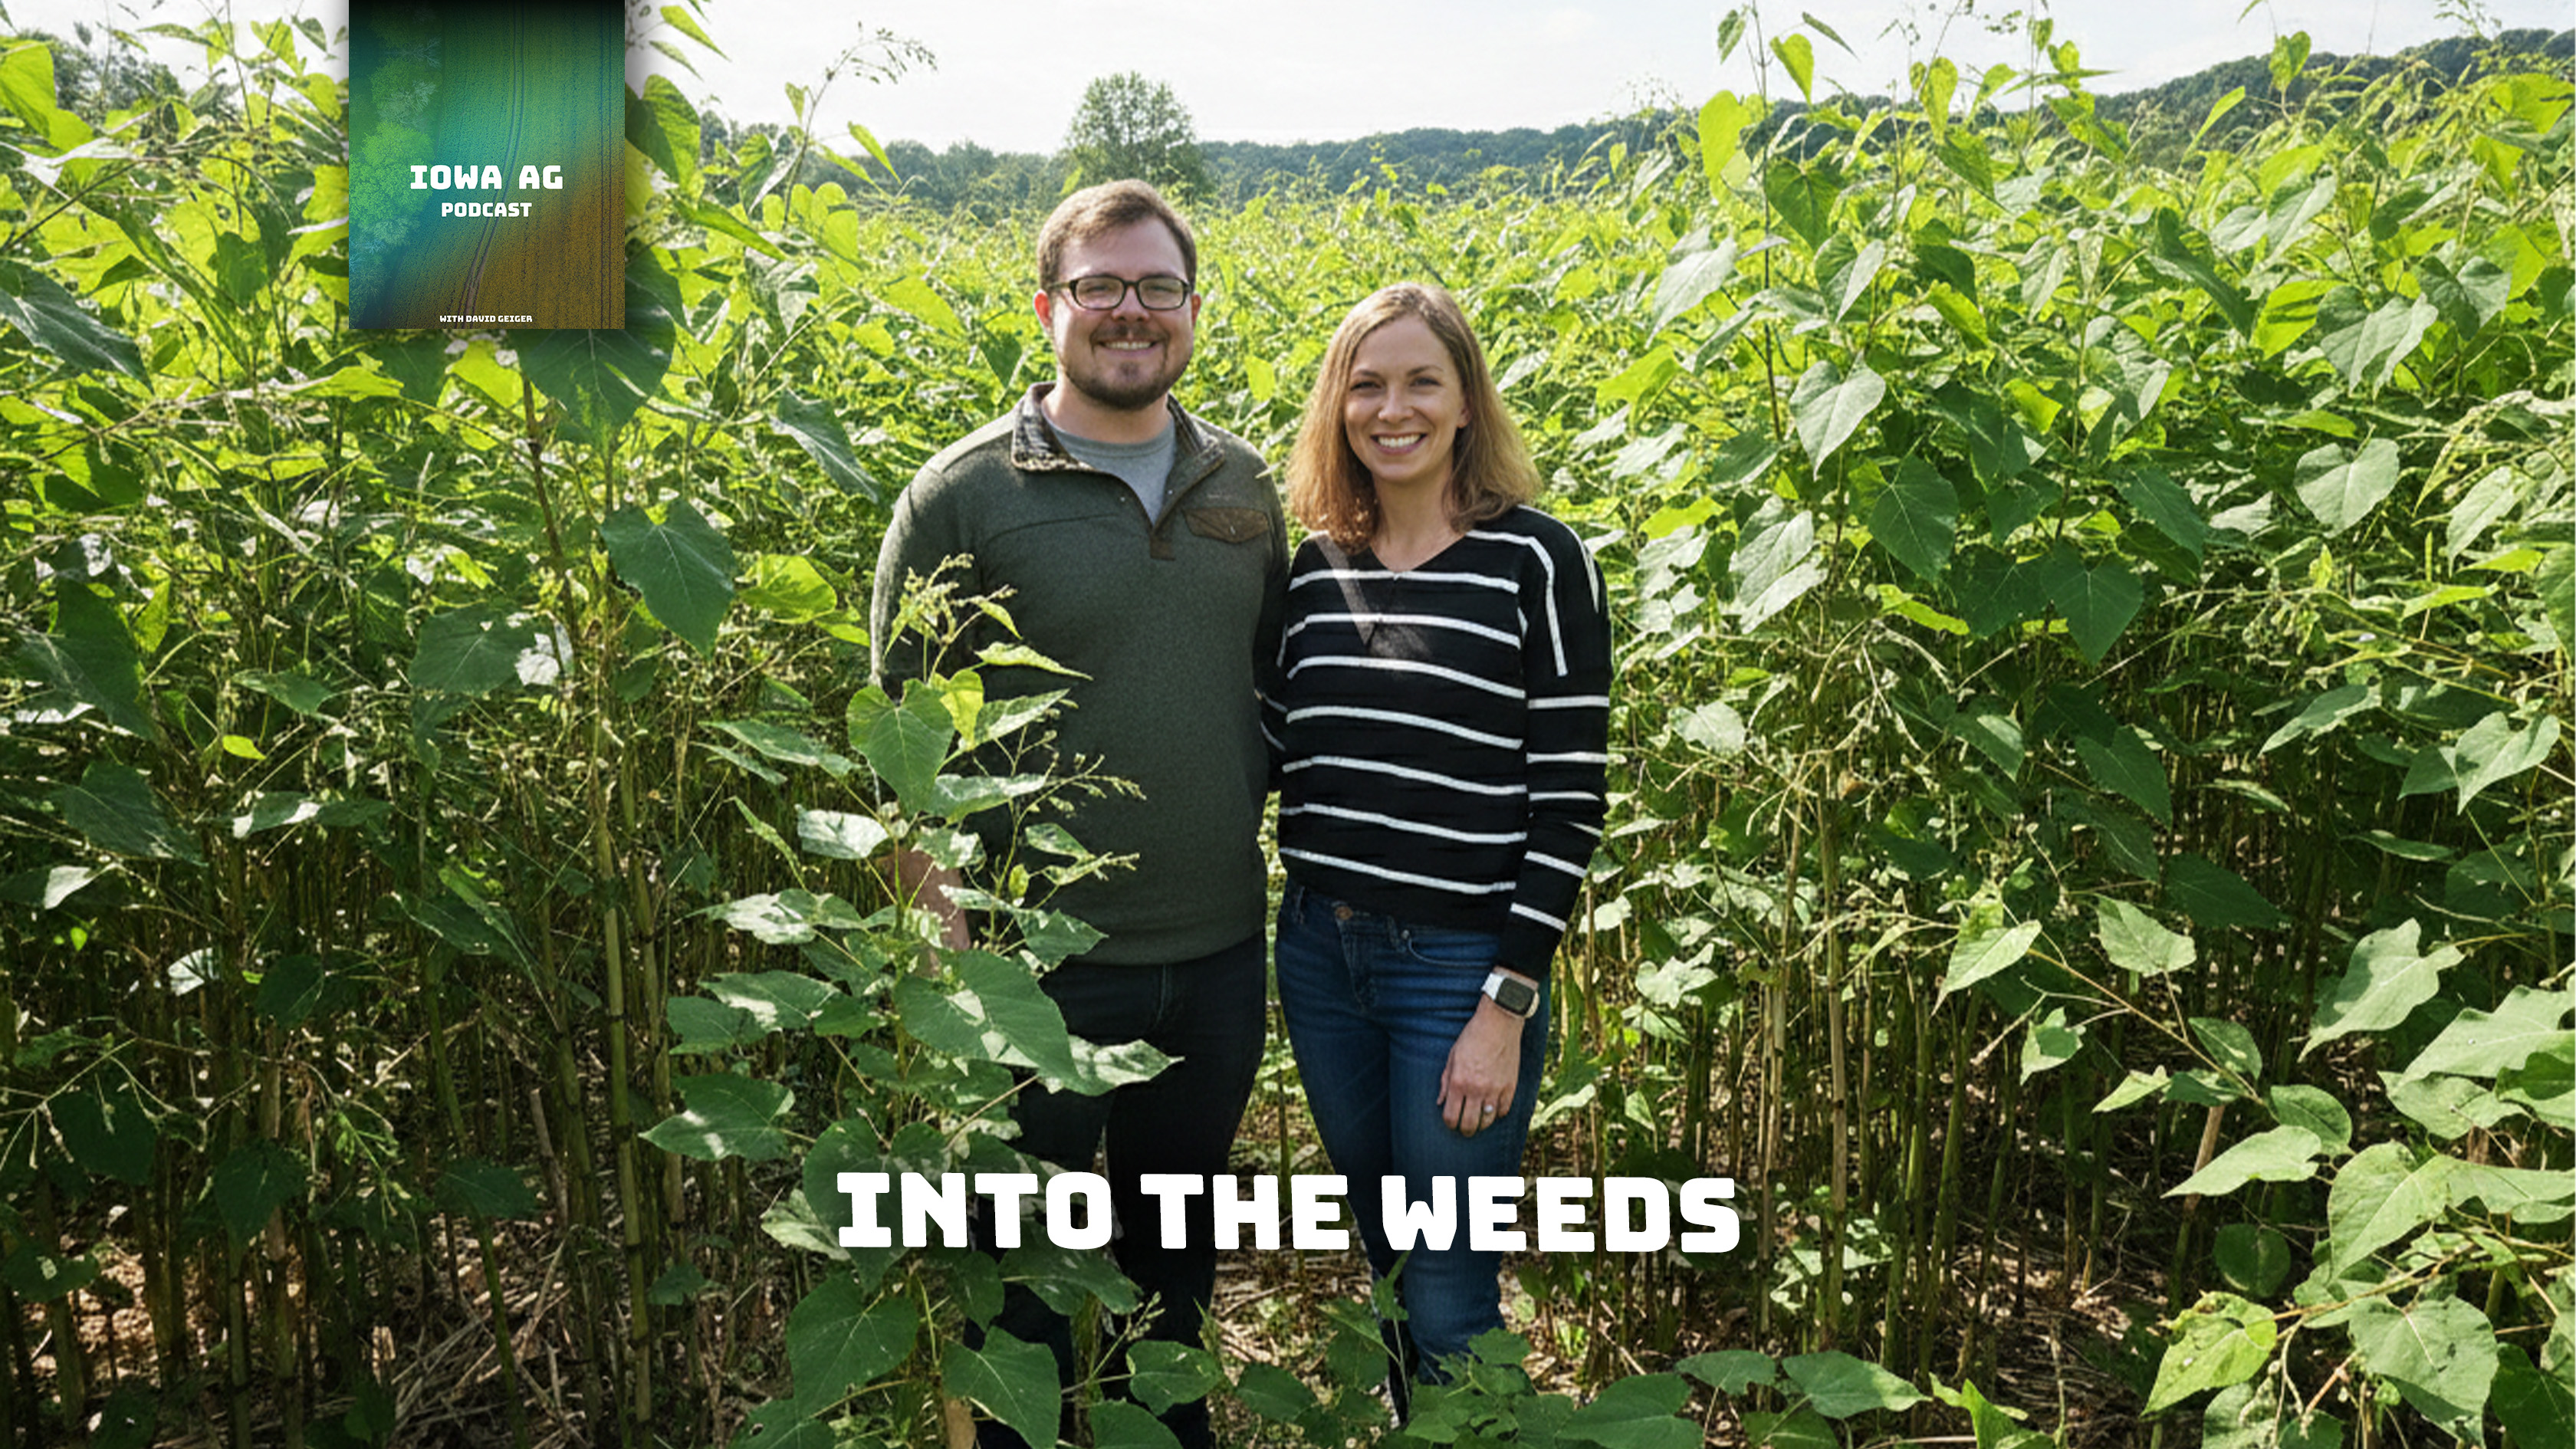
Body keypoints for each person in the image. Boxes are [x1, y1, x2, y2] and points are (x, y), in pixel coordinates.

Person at [869, 179, 1286, 1449]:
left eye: (1157, 288)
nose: (1130, 313)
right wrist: (955, 959)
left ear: (1193, 310)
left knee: (1173, 1283)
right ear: (1048, 307)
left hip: (1214, 962)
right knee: (1023, 1303)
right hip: (1032, 974)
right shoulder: (963, 498)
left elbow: (1275, 691)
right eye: (1099, 287)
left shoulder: (1245, 486)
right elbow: (896, 750)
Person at [1266, 282, 1611, 1412]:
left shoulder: (1539, 564)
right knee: (1390, 1259)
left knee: (1454, 1292)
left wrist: (1502, 1007)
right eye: (1366, 384)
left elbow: (1568, 804)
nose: (1392, 408)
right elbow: (1274, 751)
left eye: (1423, 381)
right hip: (1321, 958)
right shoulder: (1316, 569)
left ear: (1467, 401)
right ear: (1337, 405)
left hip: (1458, 978)